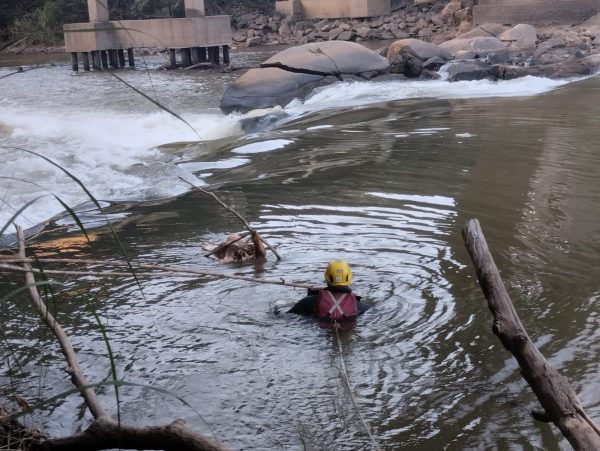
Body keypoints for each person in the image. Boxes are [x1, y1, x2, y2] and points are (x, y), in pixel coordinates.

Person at [289, 260, 369, 320]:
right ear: (349, 277)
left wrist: (277, 308)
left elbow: (285, 316)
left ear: (326, 277)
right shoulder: (360, 306)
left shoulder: (308, 301)